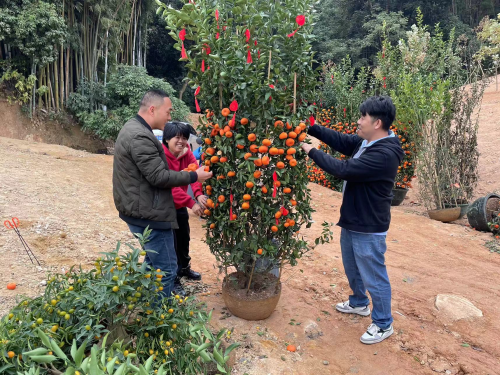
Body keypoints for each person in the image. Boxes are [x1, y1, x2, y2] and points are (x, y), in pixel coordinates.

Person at [301, 96, 404, 345]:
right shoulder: (368, 142)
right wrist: (311, 126)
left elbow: (344, 170)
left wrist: (311, 150)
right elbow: (342, 141)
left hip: (368, 224)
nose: (358, 121)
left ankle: (383, 323)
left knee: (374, 275)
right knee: (352, 266)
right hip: (353, 218)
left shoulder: (385, 153)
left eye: (362, 118)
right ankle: (359, 303)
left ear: (377, 122)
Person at [112, 89, 212, 298]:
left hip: (142, 208)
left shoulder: (135, 129)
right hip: (149, 213)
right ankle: (159, 317)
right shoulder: (140, 135)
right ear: (152, 109)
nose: (169, 117)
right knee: (166, 269)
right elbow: (160, 177)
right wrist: (195, 178)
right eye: (168, 112)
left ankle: (145, 301)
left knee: (153, 261)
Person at [161, 122, 208, 295]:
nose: (181, 141)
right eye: (177, 137)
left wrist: (198, 195)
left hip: (179, 205)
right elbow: (170, 187)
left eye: (184, 138)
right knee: (170, 244)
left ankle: (184, 268)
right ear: (167, 139)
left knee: (183, 238)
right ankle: (173, 280)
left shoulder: (187, 153)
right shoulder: (161, 156)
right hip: (164, 207)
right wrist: (192, 203)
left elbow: (194, 174)